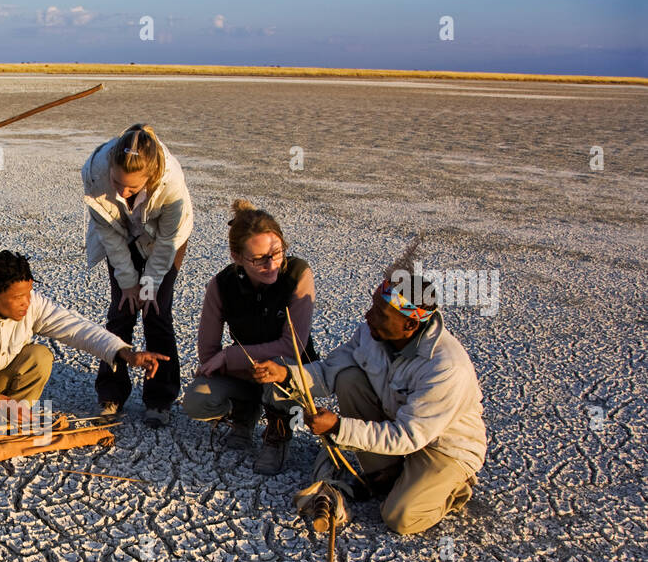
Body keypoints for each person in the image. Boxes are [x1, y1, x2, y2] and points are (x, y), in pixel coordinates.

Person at [251, 244, 487, 535]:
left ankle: (452, 488)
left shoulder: (445, 368)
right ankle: (392, 473)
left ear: (410, 324)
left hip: (441, 450)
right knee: (349, 377)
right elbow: (328, 371)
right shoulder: (372, 334)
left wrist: (338, 426)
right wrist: (286, 373)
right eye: (373, 305)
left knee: (400, 517)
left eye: (380, 312)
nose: (367, 316)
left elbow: (407, 435)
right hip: (398, 428)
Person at [0, 250, 169, 431]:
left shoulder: (31, 305)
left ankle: (6, 424)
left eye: (29, 293)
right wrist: (0, 401)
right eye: (18, 297)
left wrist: (124, 352)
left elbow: (77, 328)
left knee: (39, 356)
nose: (27, 302)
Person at [182, 200, 317, 476]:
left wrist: (229, 356)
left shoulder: (297, 274)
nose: (272, 265)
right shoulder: (221, 285)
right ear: (237, 257)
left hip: (292, 374)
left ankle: (278, 434)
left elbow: (293, 346)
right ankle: (244, 413)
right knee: (197, 398)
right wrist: (225, 362)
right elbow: (208, 355)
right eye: (258, 259)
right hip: (248, 374)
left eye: (277, 252)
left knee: (278, 363)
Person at [82, 124, 193, 428]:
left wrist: (149, 284)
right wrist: (130, 283)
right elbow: (109, 232)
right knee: (122, 311)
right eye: (117, 182)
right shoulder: (94, 171)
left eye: (132, 188)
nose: (121, 191)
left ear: (151, 177)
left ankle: (160, 399)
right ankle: (111, 393)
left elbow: (168, 242)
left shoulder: (171, 187)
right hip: (120, 234)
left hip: (163, 241)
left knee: (156, 311)